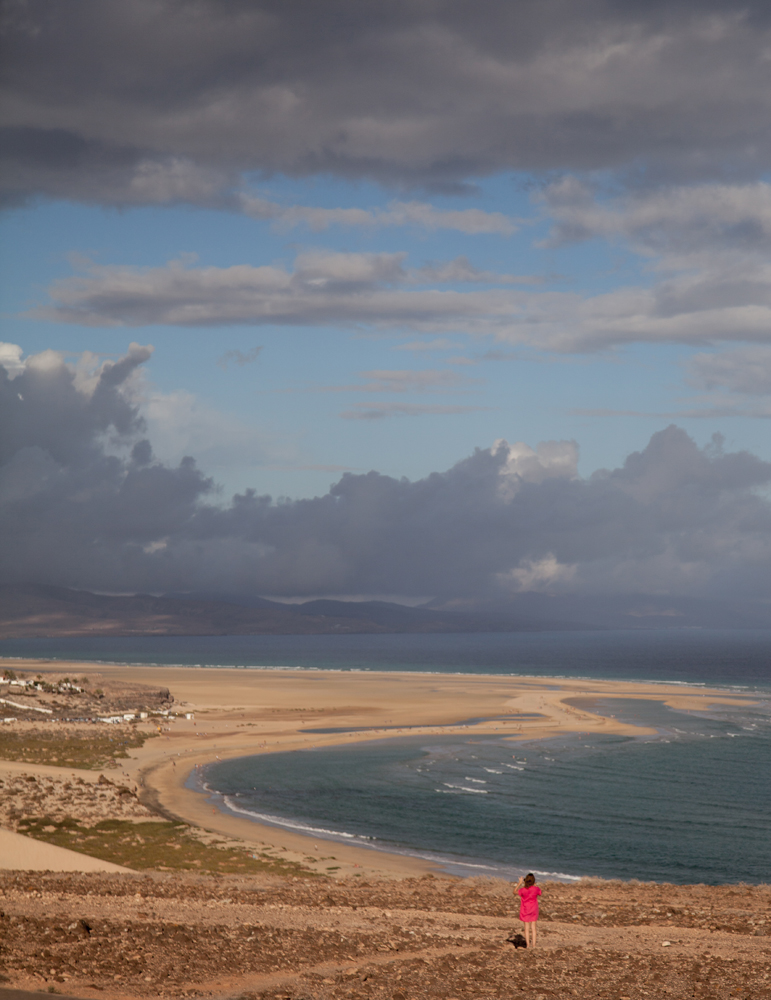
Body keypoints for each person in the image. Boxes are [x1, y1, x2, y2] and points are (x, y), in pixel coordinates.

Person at [514, 873, 541, 948]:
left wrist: (519, 883)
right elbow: (540, 893)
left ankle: (528, 945)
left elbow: (514, 892)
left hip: (525, 909)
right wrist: (535, 886)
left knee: (526, 928)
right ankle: (534, 945)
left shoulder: (523, 890)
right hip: (534, 909)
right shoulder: (536, 889)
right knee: (533, 928)